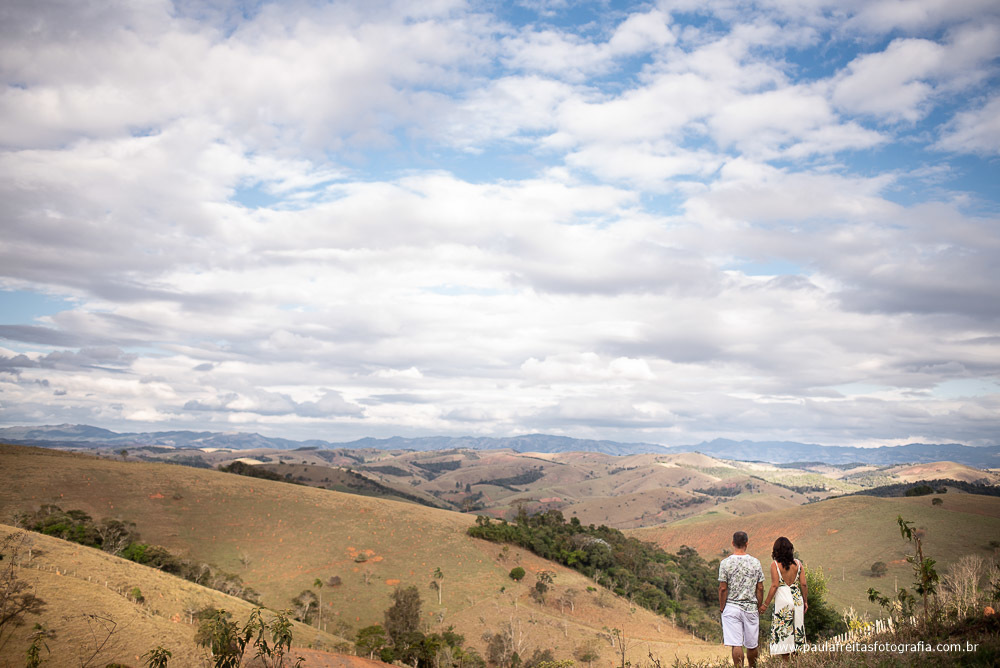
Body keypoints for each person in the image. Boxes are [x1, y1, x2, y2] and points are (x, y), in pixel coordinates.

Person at [718, 531, 765, 667]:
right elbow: (760, 587)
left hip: (732, 606)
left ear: (733, 543)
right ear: (747, 544)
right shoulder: (755, 562)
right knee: (752, 644)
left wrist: (722, 607)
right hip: (751, 607)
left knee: (736, 644)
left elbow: (723, 588)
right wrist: (759, 605)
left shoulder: (725, 563)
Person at [759, 536, 808, 659]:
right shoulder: (798, 564)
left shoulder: (775, 565)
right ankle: (796, 661)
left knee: (784, 632)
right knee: (797, 630)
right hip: (797, 599)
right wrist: (805, 601)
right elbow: (804, 584)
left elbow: (775, 585)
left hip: (783, 600)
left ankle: (785, 662)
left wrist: (765, 604)